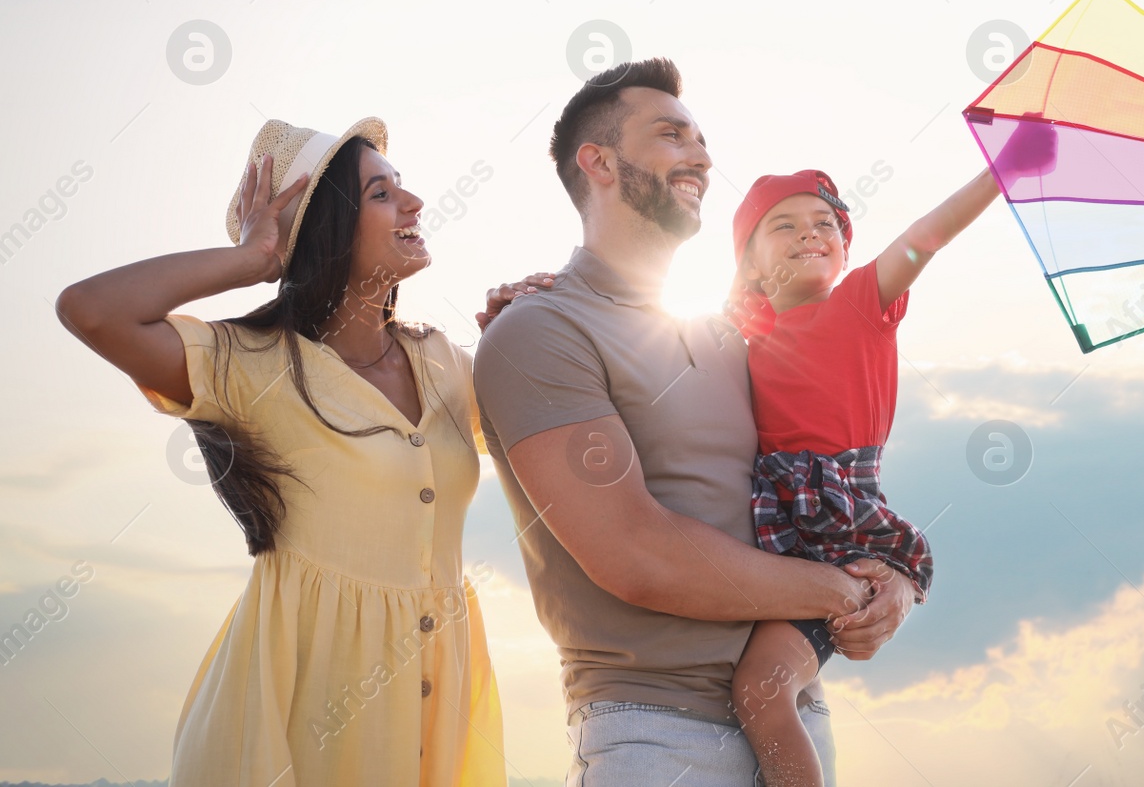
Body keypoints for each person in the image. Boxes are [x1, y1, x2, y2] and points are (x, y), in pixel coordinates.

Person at [472, 59, 916, 786]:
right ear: (600, 161)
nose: (703, 156)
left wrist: (892, 575)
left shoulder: (729, 341)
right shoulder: (538, 331)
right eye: (672, 134)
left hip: (797, 720)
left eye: (703, 138)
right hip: (655, 736)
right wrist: (841, 591)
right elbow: (638, 555)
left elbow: (821, 482)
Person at [55, 118, 506, 787]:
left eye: (402, 187)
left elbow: (539, 412)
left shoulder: (441, 359)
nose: (413, 203)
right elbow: (90, 309)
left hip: (439, 692)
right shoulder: (251, 362)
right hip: (299, 708)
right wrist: (252, 259)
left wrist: (521, 329)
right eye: (381, 194)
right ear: (326, 229)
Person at [723, 120, 1055, 787]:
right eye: (783, 226)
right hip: (774, 531)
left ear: (846, 246)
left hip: (835, 531)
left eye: (825, 222)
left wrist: (1005, 168)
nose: (810, 232)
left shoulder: (860, 302)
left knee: (760, 689)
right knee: (754, 687)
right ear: (751, 263)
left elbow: (925, 235)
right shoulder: (740, 334)